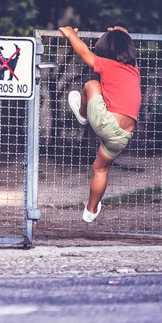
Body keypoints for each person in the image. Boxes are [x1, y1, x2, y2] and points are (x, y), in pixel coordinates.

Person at [59, 25, 141, 224]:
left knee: (91, 85)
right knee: (100, 169)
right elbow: (125, 42)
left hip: (107, 123)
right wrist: (122, 32)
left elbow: (84, 52)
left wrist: (71, 35)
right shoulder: (134, 68)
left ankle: (82, 114)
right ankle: (91, 210)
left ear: (107, 53)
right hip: (124, 135)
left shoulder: (108, 65)